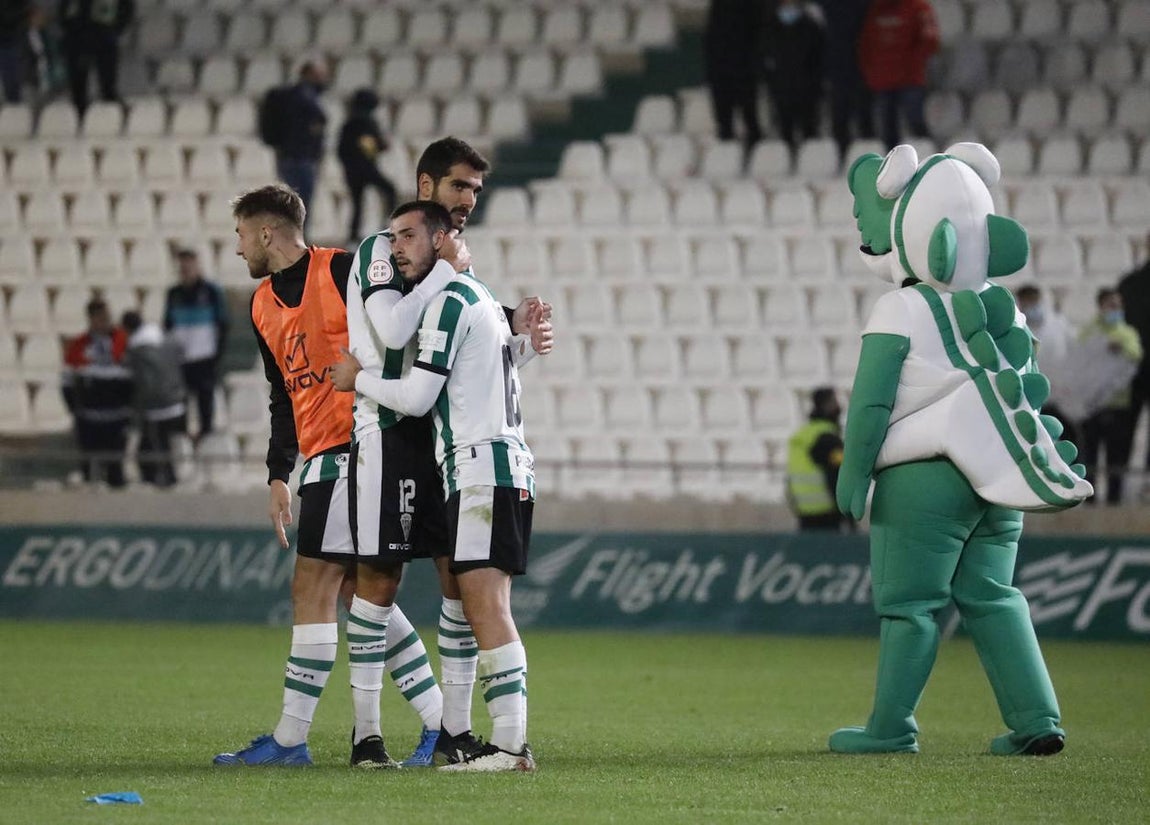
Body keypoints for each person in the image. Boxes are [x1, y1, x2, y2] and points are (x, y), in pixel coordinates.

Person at [337, 137, 553, 768]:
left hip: (452, 448)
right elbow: (398, 330)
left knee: (464, 592)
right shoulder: (393, 253)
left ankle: (470, 735)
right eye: (460, 187)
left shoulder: (461, 283)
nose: (469, 202)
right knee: (382, 579)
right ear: (427, 186)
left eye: (476, 191)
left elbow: (447, 377)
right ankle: (370, 735)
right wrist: (457, 277)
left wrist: (519, 342)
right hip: (399, 433)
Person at [212, 185, 442, 769]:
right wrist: (276, 473)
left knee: (313, 586)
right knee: (354, 595)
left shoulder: (344, 270)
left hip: (360, 445)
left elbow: (413, 319)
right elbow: (280, 396)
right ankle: (442, 722)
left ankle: (291, 740)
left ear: (266, 232)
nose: (238, 248)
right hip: (320, 457)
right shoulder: (261, 304)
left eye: (241, 234)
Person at [1078, 288, 1143, 505]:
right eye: (1111, 305)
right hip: (1092, 406)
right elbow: (1080, 358)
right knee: (1091, 456)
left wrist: (1121, 347)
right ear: (1101, 307)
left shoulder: (1128, 333)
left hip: (1118, 406)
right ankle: (1089, 501)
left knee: (1116, 457)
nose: (1116, 310)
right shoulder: (1089, 332)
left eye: (1118, 305)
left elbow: (1135, 355)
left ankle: (1115, 501)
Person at [62, 298, 132, 488]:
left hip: (117, 418)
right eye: (101, 318)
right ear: (91, 319)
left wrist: (129, 409)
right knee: (89, 472)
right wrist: (75, 409)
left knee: (116, 472)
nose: (106, 321)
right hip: (89, 420)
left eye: (107, 317)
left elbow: (133, 379)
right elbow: (67, 382)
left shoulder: (123, 341)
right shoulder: (78, 346)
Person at [163, 249, 228, 439]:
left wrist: (216, 354)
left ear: (197, 266)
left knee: (205, 402)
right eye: (182, 266)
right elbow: (168, 324)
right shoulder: (173, 293)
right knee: (181, 403)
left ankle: (206, 437)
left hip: (204, 358)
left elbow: (223, 323)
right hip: (181, 359)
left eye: (189, 265)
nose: (186, 270)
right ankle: (183, 440)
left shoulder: (211, 292)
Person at [857, 0, 939, 150]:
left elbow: (930, 41)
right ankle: (893, 165)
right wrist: (871, 73)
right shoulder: (876, 10)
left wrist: (911, 63)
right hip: (883, 81)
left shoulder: (919, 8)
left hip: (911, 79)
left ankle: (930, 158)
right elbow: (866, 44)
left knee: (915, 121)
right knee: (887, 129)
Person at [121, 310, 186, 488]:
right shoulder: (166, 339)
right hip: (175, 400)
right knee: (162, 443)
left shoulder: (137, 350)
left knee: (155, 444)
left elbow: (143, 382)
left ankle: (161, 477)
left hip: (156, 406)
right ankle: (165, 476)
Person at [262, 59, 328, 218]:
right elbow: (316, 122)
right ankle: (297, 240)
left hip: (288, 155)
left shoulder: (290, 96)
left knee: (293, 204)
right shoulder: (305, 97)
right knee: (300, 205)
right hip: (301, 157)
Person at [1015, 284, 1078, 444]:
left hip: (1059, 399)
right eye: (1026, 302)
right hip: (1029, 400)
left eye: (1034, 301)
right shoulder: (1016, 329)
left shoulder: (1058, 325)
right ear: (1020, 303)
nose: (1031, 306)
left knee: (1066, 442)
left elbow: (1074, 353)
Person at [815, 0, 875, 163]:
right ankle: (841, 158)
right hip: (837, 68)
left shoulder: (865, 6)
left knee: (864, 117)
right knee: (840, 118)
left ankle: (870, 161)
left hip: (862, 66)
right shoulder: (829, 5)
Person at [761, 0, 825, 150]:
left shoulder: (811, 27)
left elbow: (819, 60)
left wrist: (814, 84)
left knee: (810, 133)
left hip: (807, 92)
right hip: (781, 91)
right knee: (785, 133)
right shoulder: (770, 27)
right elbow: (764, 57)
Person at [337, 88, 398, 244]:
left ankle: (353, 236)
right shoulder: (368, 122)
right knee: (390, 190)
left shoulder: (348, 123)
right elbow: (377, 145)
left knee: (357, 203)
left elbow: (341, 150)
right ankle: (389, 227)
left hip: (351, 170)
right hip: (367, 168)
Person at [704, 0, 764, 153]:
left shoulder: (751, 7)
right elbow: (711, 43)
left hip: (744, 70)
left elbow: (756, 35)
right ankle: (729, 155)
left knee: (750, 118)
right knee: (725, 123)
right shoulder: (718, 9)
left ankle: (757, 154)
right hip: (721, 71)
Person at [786, 386, 849, 531]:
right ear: (827, 405)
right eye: (835, 402)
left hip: (803, 512)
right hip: (827, 513)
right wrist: (848, 515)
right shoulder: (827, 437)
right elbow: (836, 477)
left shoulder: (803, 434)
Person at [58, 0, 134, 115]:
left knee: (108, 83)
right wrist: (70, 29)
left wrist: (115, 30)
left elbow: (126, 9)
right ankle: (79, 114)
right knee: (78, 85)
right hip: (77, 39)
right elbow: (65, 10)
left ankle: (110, 115)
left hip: (106, 38)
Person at [1118, 238, 1150, 486]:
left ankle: (1123, 486)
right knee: (1124, 427)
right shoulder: (1128, 284)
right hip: (1129, 368)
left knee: (1124, 428)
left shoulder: (1129, 284)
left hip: (1130, 368)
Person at [0, 1, 31, 103]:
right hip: (9, 37)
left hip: (15, 36)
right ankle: (13, 96)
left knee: (13, 69)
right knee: (9, 70)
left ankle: (14, 96)